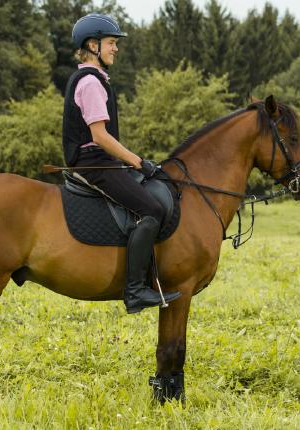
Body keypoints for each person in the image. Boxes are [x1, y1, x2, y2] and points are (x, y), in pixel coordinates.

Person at [62, 13, 180, 313]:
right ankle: (136, 290)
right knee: (151, 209)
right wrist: (138, 162)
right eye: (112, 43)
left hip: (99, 161)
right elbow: (100, 136)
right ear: (93, 45)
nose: (116, 49)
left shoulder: (95, 80)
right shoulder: (90, 82)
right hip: (94, 163)